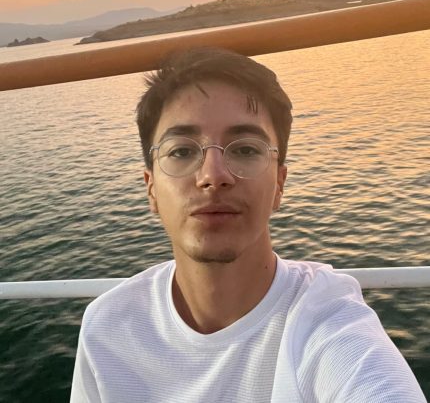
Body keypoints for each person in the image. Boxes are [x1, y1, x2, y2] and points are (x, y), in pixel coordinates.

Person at [70, 47, 426, 402]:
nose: (213, 176)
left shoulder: (324, 320)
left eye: (245, 150)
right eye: (181, 151)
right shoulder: (108, 327)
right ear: (151, 188)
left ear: (279, 184)